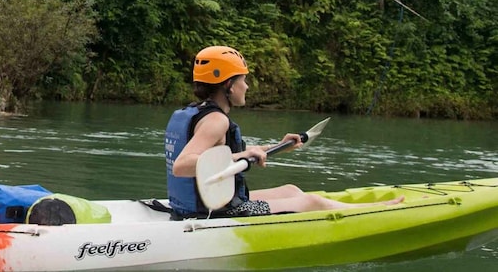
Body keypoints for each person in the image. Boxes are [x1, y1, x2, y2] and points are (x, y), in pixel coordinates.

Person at [165, 45, 403, 219]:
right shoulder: (217, 121)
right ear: (228, 84)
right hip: (215, 212)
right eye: (243, 80)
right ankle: (379, 212)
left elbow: (216, 155)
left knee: (291, 190)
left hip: (204, 203)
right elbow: (182, 165)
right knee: (312, 201)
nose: (246, 86)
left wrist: (275, 146)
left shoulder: (198, 113)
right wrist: (240, 157)